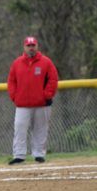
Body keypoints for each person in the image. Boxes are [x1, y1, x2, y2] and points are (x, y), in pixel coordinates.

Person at [7, 36, 59, 165]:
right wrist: (14, 96)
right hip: (22, 104)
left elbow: (53, 79)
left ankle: (39, 154)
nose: (31, 48)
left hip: (42, 103)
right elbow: (11, 81)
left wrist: (47, 95)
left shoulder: (46, 62)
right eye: (28, 46)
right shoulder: (17, 63)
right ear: (24, 47)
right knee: (20, 128)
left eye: (33, 45)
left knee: (40, 129)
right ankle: (19, 155)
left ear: (37, 46)